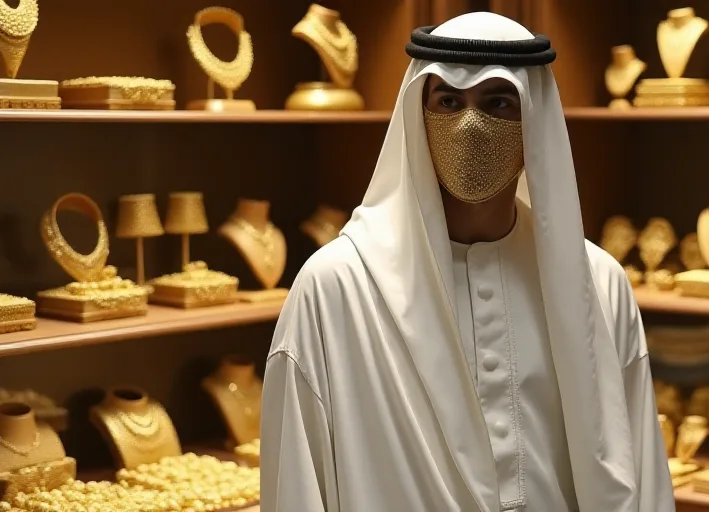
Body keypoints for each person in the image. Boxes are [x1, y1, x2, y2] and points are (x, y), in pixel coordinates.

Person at [260, 11, 675, 512]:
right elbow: (296, 489)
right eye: (449, 102)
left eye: (498, 102)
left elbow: (642, 478)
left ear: (533, 121)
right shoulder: (335, 288)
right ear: (418, 111)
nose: (471, 125)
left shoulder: (599, 283)